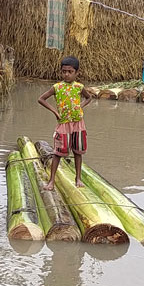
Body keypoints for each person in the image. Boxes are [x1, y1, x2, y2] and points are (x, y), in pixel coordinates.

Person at [37, 56, 92, 191]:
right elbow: (41, 99)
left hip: (78, 123)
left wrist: (80, 107)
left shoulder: (79, 87)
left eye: (70, 72)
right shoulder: (57, 87)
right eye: (64, 71)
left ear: (77, 73)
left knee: (78, 152)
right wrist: (55, 112)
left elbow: (89, 97)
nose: (66, 74)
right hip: (63, 123)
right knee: (58, 153)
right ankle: (51, 181)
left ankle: (78, 178)